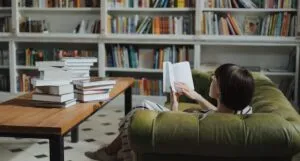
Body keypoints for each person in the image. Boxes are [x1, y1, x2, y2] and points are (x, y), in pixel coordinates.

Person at [85, 63, 255, 161]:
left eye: (214, 79)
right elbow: (221, 113)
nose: (211, 79)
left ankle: (112, 153)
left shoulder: (206, 122)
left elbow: (172, 126)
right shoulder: (243, 114)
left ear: (220, 90)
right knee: (144, 107)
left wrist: (174, 103)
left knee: (139, 112)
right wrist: (196, 96)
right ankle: (113, 151)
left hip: (173, 133)